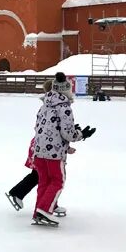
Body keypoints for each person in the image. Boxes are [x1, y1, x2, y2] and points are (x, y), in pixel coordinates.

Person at [31, 72, 96, 226]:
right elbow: (68, 133)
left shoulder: (44, 105)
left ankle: (38, 211)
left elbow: (41, 127)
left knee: (44, 182)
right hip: (54, 153)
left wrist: (65, 144)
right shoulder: (64, 107)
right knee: (58, 181)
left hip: (39, 150)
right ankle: (45, 210)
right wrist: (80, 134)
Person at [6, 80, 71, 216]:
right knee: (42, 176)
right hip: (44, 147)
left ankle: (50, 203)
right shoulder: (53, 105)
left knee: (44, 176)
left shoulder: (48, 104)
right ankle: (19, 193)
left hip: (41, 145)